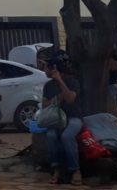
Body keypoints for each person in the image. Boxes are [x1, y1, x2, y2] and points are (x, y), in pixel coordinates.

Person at [43, 51, 82, 186]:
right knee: (51, 136)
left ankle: (75, 169)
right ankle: (56, 168)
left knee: (67, 136)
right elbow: (45, 104)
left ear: (54, 68)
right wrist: (57, 98)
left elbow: (70, 99)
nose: (44, 70)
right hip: (55, 119)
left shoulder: (72, 82)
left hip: (73, 117)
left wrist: (60, 81)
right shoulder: (48, 85)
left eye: (46, 67)